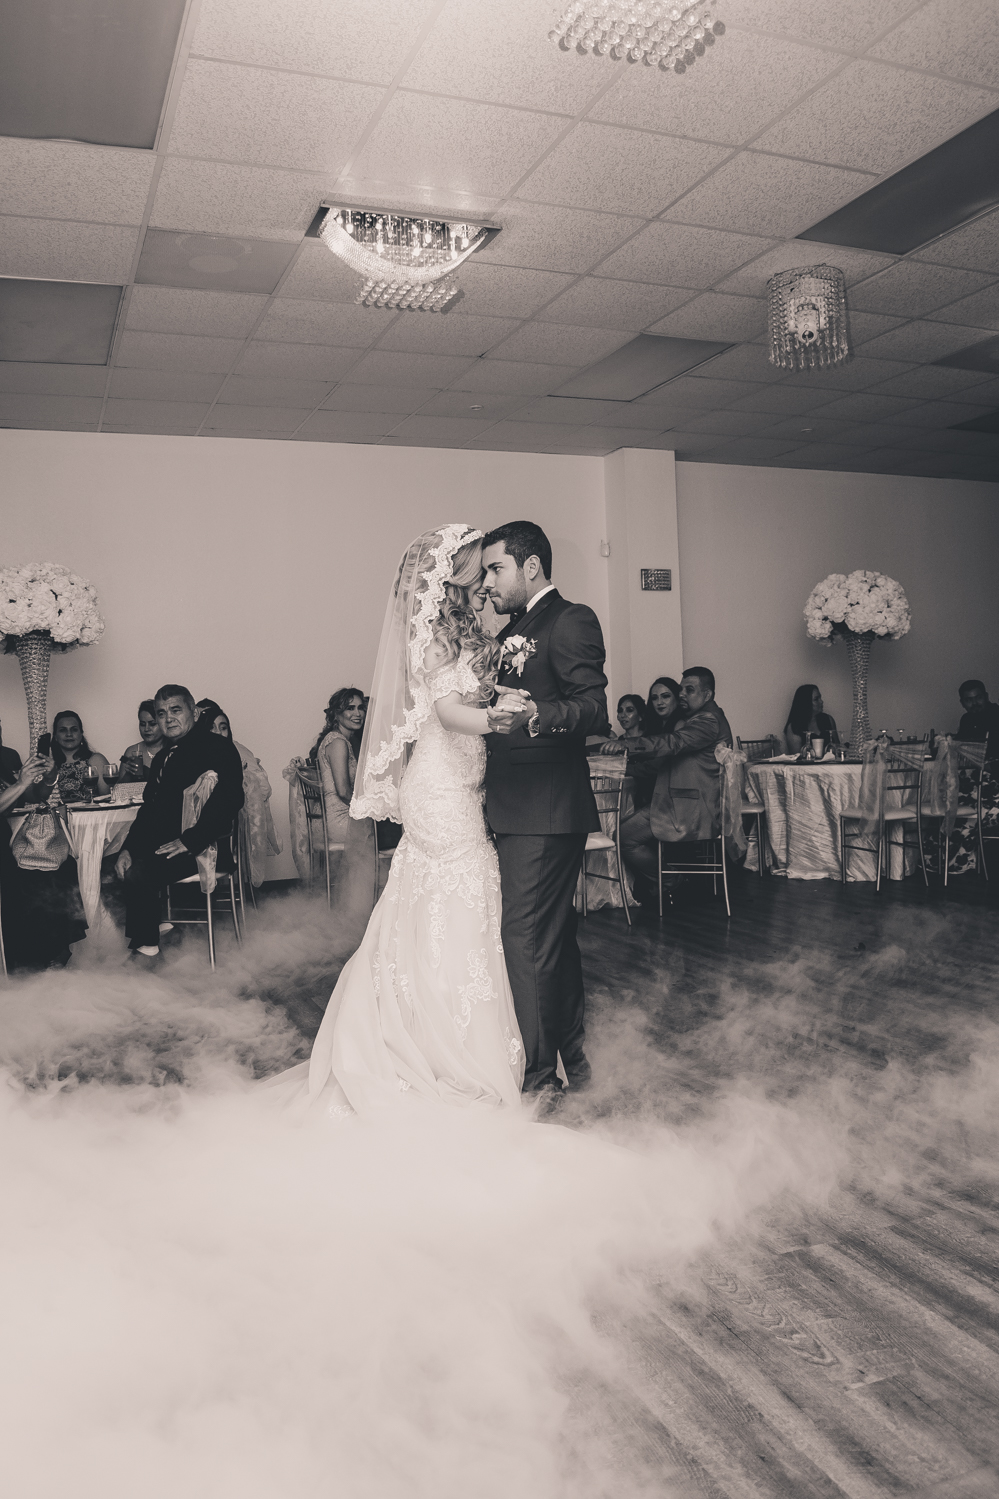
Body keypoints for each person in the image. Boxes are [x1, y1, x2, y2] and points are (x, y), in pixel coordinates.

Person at [290, 526, 528, 1114]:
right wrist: (498, 718)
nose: (486, 578)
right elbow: (447, 713)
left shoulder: (461, 632)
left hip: (461, 783)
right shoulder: (434, 639)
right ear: (453, 574)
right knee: (460, 896)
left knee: (449, 903)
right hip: (439, 791)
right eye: (479, 568)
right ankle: (445, 1046)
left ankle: (441, 1031)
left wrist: (501, 693)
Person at [481, 519, 609, 1105]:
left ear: (531, 566)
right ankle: (571, 1057)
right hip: (515, 807)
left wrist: (538, 715)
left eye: (496, 568)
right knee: (549, 940)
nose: (488, 582)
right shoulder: (515, 629)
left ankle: (538, 1079)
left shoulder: (569, 619)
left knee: (526, 939)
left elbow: (593, 708)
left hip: (545, 808)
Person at [114, 685, 244, 959]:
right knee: (116, 866)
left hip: (206, 847)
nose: (168, 718)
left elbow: (230, 800)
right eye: (161, 713)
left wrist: (190, 840)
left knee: (140, 872)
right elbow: (148, 811)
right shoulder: (163, 756)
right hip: (167, 846)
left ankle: (147, 951)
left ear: (194, 713)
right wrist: (128, 849)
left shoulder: (218, 747)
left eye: (175, 710)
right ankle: (152, 930)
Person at [608, 668, 732, 907]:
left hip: (691, 808)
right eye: (681, 689)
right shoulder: (705, 717)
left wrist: (626, 745)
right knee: (625, 830)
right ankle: (664, 882)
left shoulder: (707, 720)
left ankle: (671, 881)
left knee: (623, 837)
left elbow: (674, 742)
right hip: (687, 802)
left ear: (707, 695)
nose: (682, 694)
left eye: (689, 690)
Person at [0, 752, 87, 969]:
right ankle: (28, 958)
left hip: (8, 840)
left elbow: (32, 797)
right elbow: (19, 789)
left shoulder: (6, 757)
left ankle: (54, 950)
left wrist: (49, 779)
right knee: (27, 876)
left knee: (61, 867)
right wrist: (20, 783)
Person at [196, 699, 282, 886]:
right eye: (207, 725)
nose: (216, 732)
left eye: (222, 727)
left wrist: (242, 781)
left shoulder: (236, 751)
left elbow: (264, 789)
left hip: (228, 832)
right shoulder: (193, 754)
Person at [949, 679, 999, 876]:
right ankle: (950, 859)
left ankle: (963, 859)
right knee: (954, 801)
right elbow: (962, 748)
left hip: (994, 781)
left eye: (978, 698)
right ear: (962, 703)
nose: (974, 703)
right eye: (969, 700)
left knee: (970, 807)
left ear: (986, 697)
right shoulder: (967, 720)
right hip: (975, 781)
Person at [311, 688, 366, 848]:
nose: (358, 713)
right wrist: (368, 809)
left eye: (360, 708)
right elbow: (343, 791)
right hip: (340, 820)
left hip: (338, 817)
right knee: (390, 828)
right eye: (350, 708)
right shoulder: (338, 742)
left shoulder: (340, 740)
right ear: (336, 714)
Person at [41, 711, 110, 801]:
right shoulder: (47, 764)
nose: (69, 734)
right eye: (63, 730)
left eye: (74, 729)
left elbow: (107, 797)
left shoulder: (96, 760)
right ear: (55, 736)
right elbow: (39, 799)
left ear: (81, 734)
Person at [784, 684, 839, 754]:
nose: (821, 701)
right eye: (816, 699)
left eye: (820, 698)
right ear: (806, 702)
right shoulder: (794, 727)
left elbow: (837, 747)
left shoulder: (828, 719)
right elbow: (796, 756)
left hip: (831, 761)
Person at [119, 699, 164, 780]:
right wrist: (127, 774)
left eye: (152, 724)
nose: (146, 729)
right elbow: (120, 787)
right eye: (142, 724)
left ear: (162, 723)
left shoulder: (173, 748)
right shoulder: (131, 751)